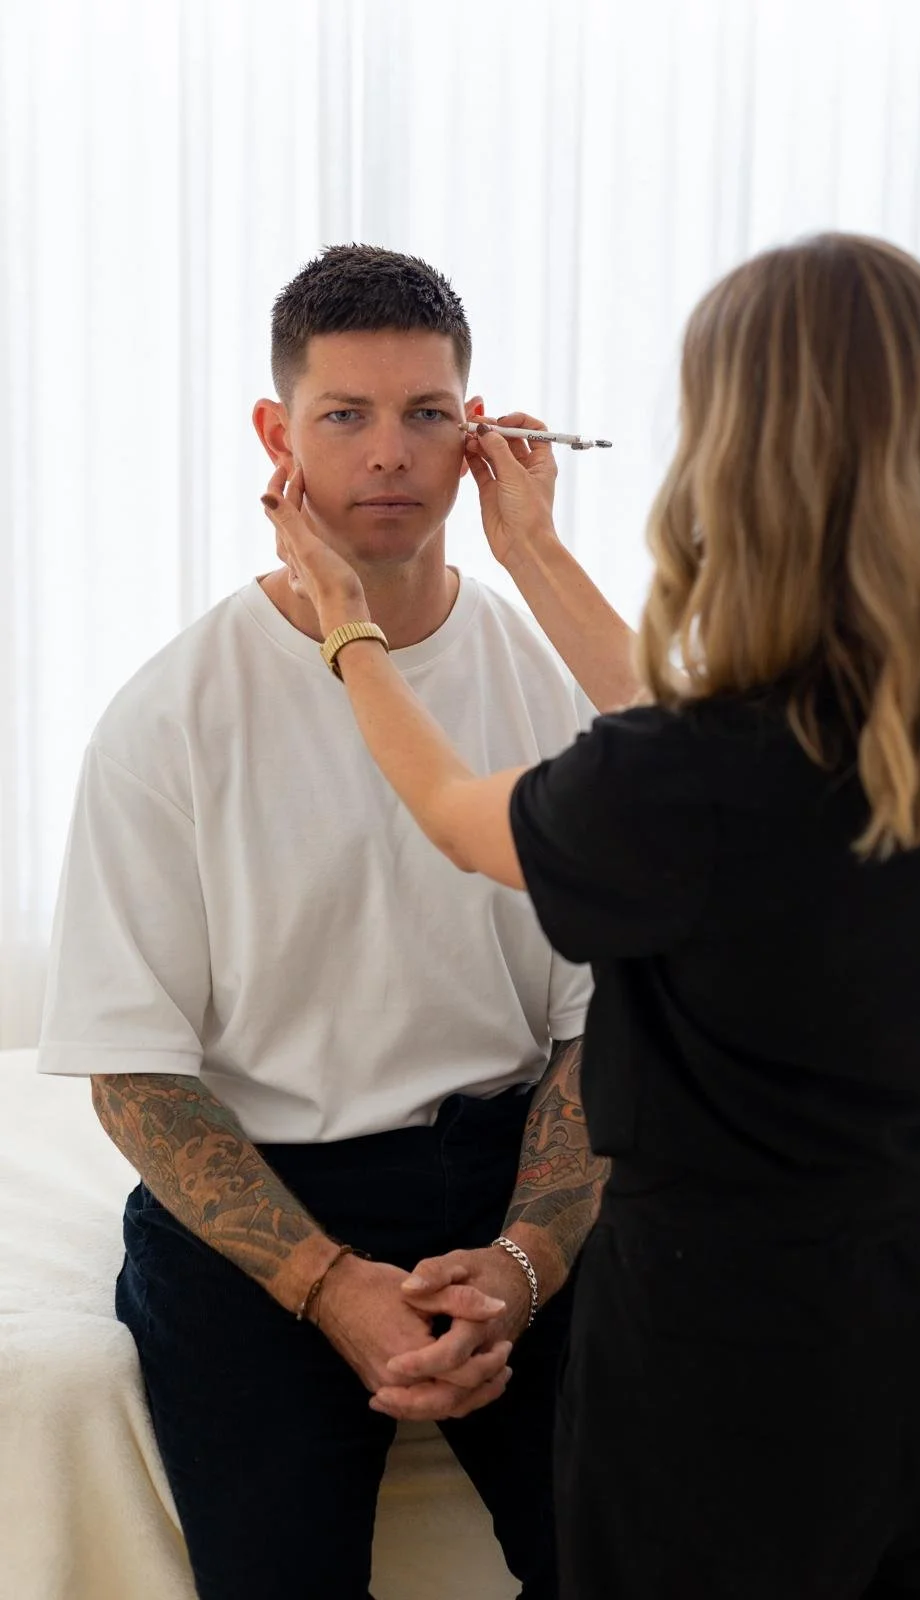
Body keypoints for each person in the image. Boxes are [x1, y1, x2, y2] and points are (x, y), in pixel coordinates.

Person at [264, 233, 920, 1600]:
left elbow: (465, 813)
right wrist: (532, 551)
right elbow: (716, 771)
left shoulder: (696, 781)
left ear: (739, 458)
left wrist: (345, 631)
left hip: (722, 1330)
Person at [37, 245, 605, 1600]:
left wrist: (527, 1261)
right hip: (263, 1207)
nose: (388, 455)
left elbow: (607, 1023)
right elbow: (135, 1076)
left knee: (628, 1560)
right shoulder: (166, 717)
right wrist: (332, 1284)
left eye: (426, 415)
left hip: (506, 1177)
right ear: (276, 434)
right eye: (344, 414)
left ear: (476, 439)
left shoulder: (548, 687)